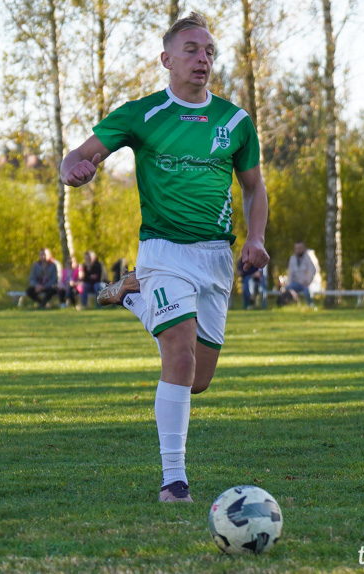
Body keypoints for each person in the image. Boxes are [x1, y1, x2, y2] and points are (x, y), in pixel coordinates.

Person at [60, 12, 269, 502]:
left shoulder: (236, 122)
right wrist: (76, 169)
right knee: (177, 351)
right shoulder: (142, 114)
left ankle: (134, 296)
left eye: (210, 51)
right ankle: (174, 479)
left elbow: (255, 188)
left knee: (198, 380)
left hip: (216, 257)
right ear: (167, 59)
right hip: (162, 251)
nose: (203, 59)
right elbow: (79, 154)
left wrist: (256, 239)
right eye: (192, 50)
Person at [285, 241, 321, 306]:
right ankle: (293, 304)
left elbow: (313, 270)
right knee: (287, 288)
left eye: (300, 248)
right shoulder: (292, 259)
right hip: (298, 284)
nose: (298, 250)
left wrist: (308, 282)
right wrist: (290, 286)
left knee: (308, 289)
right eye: (296, 248)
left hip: (310, 283)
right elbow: (290, 273)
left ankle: (310, 305)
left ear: (304, 248)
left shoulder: (309, 256)